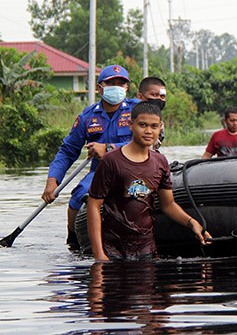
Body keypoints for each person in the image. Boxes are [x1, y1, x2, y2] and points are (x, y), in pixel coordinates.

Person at [87, 101, 211, 261]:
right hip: (113, 249)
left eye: (154, 126)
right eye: (143, 125)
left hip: (146, 248)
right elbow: (94, 205)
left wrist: (192, 222)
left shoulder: (160, 162)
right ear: (131, 125)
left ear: (160, 128)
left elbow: (168, 205)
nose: (148, 131)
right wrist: (99, 255)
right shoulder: (111, 161)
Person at [42, 65, 136, 249]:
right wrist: (53, 180)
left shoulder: (138, 111)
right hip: (101, 171)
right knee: (77, 196)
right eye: (111, 83)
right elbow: (68, 150)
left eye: (120, 83)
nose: (116, 87)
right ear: (100, 88)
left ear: (127, 87)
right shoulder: (87, 116)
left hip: (133, 166)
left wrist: (109, 148)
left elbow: (147, 142)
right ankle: (73, 240)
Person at [137, 76, 168, 148]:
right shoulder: (132, 117)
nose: (159, 99)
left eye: (162, 96)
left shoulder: (160, 123)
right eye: (154, 95)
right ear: (140, 96)